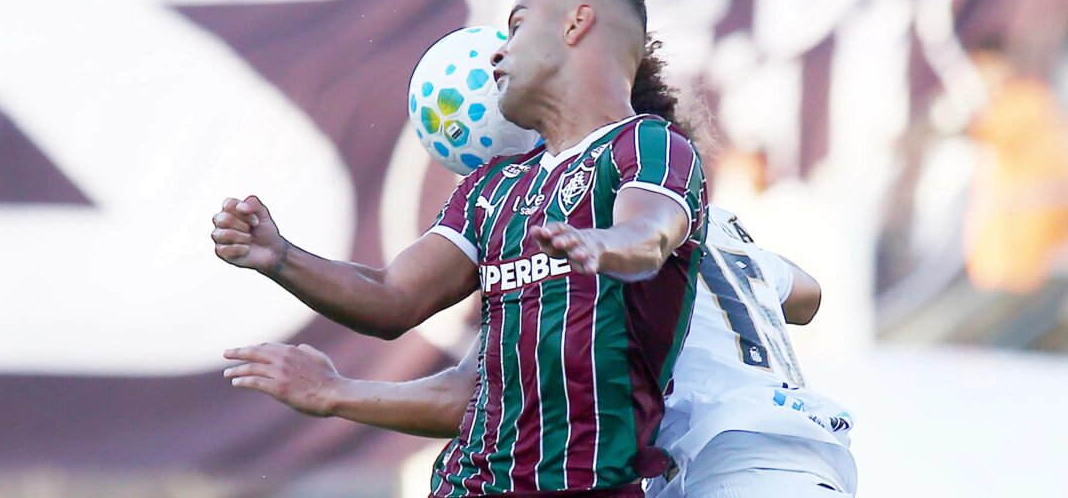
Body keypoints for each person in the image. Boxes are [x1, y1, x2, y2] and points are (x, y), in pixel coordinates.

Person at [213, 0, 707, 497]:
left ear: (576, 23)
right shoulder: (492, 187)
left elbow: (653, 232)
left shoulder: (647, 146)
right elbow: (392, 298)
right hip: (465, 484)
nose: (498, 51)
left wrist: (603, 243)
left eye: (516, 26)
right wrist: (281, 257)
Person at [223, 206, 858, 498]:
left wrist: (338, 392)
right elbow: (807, 294)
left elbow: (474, 392)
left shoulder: (586, 231)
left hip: (732, 464)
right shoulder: (708, 221)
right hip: (805, 454)